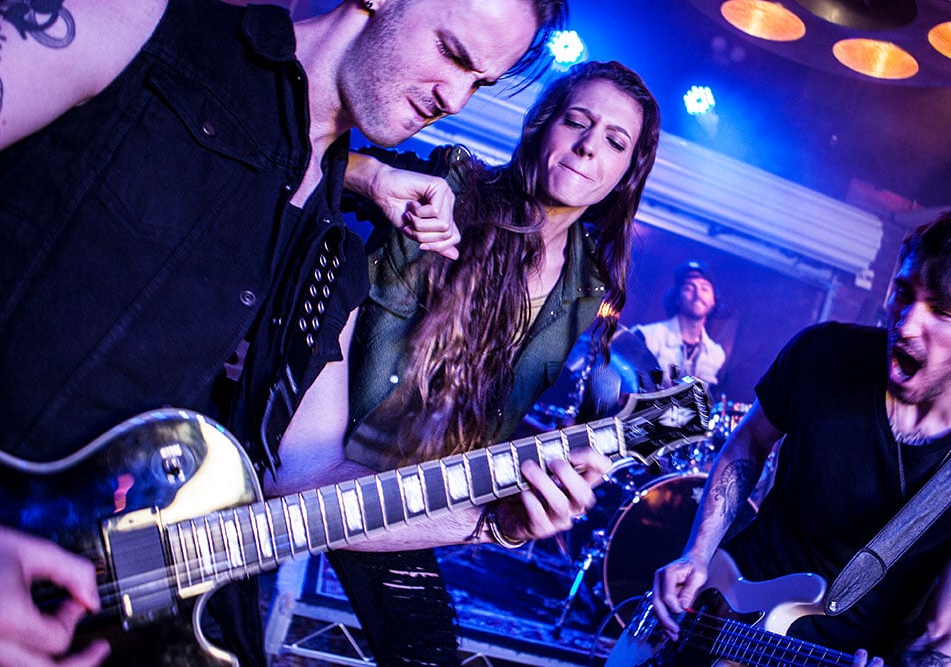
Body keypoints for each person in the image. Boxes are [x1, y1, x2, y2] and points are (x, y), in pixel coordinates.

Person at [0, 0, 585, 664]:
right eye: (452, 54)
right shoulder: (142, 29)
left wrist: (490, 518)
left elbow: (306, 476)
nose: (453, 98)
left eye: (479, 83)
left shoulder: (333, 252)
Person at [270, 60, 662, 664]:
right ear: (540, 124)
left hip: (402, 507)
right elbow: (291, 159)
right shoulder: (453, 184)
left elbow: (496, 414)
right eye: (577, 122)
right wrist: (372, 176)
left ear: (626, 174)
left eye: (614, 141)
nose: (589, 147)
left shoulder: (587, 288)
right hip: (303, 462)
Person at [650, 212, 951, 666]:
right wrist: (697, 554)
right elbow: (751, 440)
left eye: (942, 312)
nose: (906, 325)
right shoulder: (824, 352)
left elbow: (941, 635)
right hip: (720, 605)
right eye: (904, 294)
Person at [631, 259, 726, 388]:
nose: (698, 294)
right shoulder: (645, 336)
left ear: (713, 300)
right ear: (677, 299)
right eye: (689, 288)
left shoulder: (716, 355)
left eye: (704, 289)